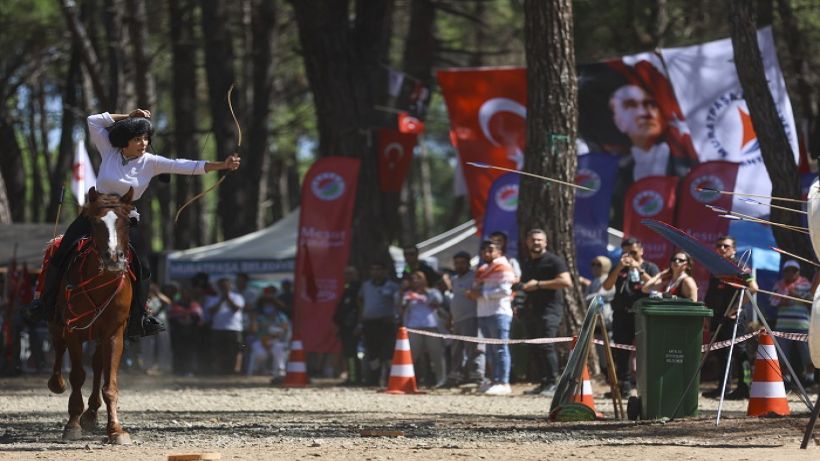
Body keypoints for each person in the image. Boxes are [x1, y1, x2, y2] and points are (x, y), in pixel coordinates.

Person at [25, 109, 240, 338]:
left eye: (146, 138)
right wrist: (128, 115)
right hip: (95, 214)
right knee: (62, 250)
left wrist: (222, 165)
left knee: (143, 266)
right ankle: (45, 304)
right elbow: (93, 121)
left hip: (125, 219)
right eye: (137, 138)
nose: (144, 143)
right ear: (125, 141)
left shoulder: (151, 162)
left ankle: (140, 316)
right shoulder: (109, 149)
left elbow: (186, 165)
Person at [702, 235, 758, 399]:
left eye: (726, 246)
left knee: (739, 351)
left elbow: (754, 288)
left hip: (735, 317)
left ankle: (744, 387)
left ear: (733, 249)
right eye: (719, 245)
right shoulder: (715, 268)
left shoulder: (739, 265)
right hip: (718, 316)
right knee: (720, 352)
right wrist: (707, 317)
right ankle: (723, 388)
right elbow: (710, 294)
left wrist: (737, 307)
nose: (722, 248)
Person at [602, 237, 659, 397]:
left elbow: (656, 284)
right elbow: (606, 286)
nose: (630, 256)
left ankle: (646, 386)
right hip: (622, 314)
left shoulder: (650, 267)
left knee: (646, 350)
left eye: (633, 252)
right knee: (622, 351)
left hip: (643, 316)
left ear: (641, 251)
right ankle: (623, 386)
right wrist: (619, 267)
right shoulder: (620, 268)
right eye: (626, 253)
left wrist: (639, 269)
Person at [519, 229, 573, 396]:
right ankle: (543, 383)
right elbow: (526, 286)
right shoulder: (528, 263)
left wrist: (539, 284)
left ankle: (553, 383)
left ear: (546, 242)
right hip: (531, 311)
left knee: (546, 345)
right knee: (535, 347)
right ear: (527, 242)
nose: (536, 243)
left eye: (540, 240)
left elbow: (566, 282)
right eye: (533, 240)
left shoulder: (554, 260)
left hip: (550, 310)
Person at [609, 84, 693, 183]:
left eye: (651, 104)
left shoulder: (690, 155)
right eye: (631, 106)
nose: (644, 113)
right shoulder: (616, 174)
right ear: (619, 122)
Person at [470, 241, 516, 395]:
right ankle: (495, 380)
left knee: (501, 349)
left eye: (490, 250)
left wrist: (481, 294)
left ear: (500, 252)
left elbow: (505, 291)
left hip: (499, 312)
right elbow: (477, 288)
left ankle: (504, 382)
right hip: (483, 312)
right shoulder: (483, 269)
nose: (486, 253)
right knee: (490, 349)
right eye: (484, 250)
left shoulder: (503, 266)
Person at [769, 260, 813, 387]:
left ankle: (809, 379)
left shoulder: (806, 283)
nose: (790, 273)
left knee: (806, 353)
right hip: (783, 325)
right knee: (783, 353)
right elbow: (772, 301)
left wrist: (796, 295)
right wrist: (781, 301)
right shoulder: (779, 284)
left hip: (802, 325)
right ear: (784, 272)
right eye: (787, 270)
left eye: (794, 270)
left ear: (798, 272)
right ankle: (786, 380)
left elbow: (811, 300)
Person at [400, 271, 447, 388]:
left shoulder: (432, 292)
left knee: (437, 355)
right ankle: (406, 381)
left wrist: (424, 292)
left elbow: (438, 301)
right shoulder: (407, 294)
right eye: (413, 278)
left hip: (431, 327)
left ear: (425, 280)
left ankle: (441, 380)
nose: (416, 280)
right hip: (413, 328)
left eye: (419, 278)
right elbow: (400, 307)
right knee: (411, 356)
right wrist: (404, 294)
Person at [445, 251, 485, 387]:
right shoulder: (455, 279)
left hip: (471, 318)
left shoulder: (475, 277)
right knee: (456, 350)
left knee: (473, 348)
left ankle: (476, 376)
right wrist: (450, 318)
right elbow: (454, 299)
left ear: (468, 263)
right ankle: (456, 376)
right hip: (457, 320)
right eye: (457, 263)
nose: (459, 266)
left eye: (462, 263)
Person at [358, 262, 400, 386]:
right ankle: (373, 379)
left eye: (378, 269)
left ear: (384, 271)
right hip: (370, 324)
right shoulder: (366, 286)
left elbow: (398, 303)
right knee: (372, 353)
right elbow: (360, 300)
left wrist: (394, 317)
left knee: (388, 353)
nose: (375, 272)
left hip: (386, 324)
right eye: (373, 269)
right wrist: (361, 320)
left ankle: (388, 379)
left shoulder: (392, 286)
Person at [246, 287, 291, 381]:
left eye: (270, 305)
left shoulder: (281, 316)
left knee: (278, 348)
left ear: (275, 306)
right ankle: (258, 369)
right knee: (261, 354)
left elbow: (285, 328)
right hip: (259, 341)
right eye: (266, 305)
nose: (268, 307)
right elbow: (253, 331)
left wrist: (278, 331)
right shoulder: (259, 317)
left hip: (275, 341)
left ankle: (280, 371)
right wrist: (253, 320)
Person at [207, 277, 246, 374]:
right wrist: (221, 300)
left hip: (235, 328)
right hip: (218, 328)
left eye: (226, 286)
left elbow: (236, 309)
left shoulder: (237, 297)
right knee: (218, 351)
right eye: (222, 286)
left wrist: (227, 298)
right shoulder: (213, 298)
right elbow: (210, 311)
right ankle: (219, 371)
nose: (224, 288)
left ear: (230, 286)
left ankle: (235, 370)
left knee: (237, 350)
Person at [333, 266, 362, 385]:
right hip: (345, 327)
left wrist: (359, 325)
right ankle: (351, 376)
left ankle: (354, 378)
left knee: (351, 353)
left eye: (350, 274)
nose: (347, 276)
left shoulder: (358, 289)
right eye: (346, 274)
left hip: (353, 326)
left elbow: (360, 308)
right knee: (348, 353)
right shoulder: (347, 289)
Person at [168, 285, 203, 376]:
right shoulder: (176, 304)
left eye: (188, 293)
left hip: (191, 332)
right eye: (184, 293)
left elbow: (198, 317)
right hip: (178, 332)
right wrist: (181, 320)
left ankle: (189, 370)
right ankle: (178, 370)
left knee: (190, 352)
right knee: (178, 351)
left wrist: (189, 320)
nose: (186, 294)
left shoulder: (195, 304)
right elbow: (172, 316)